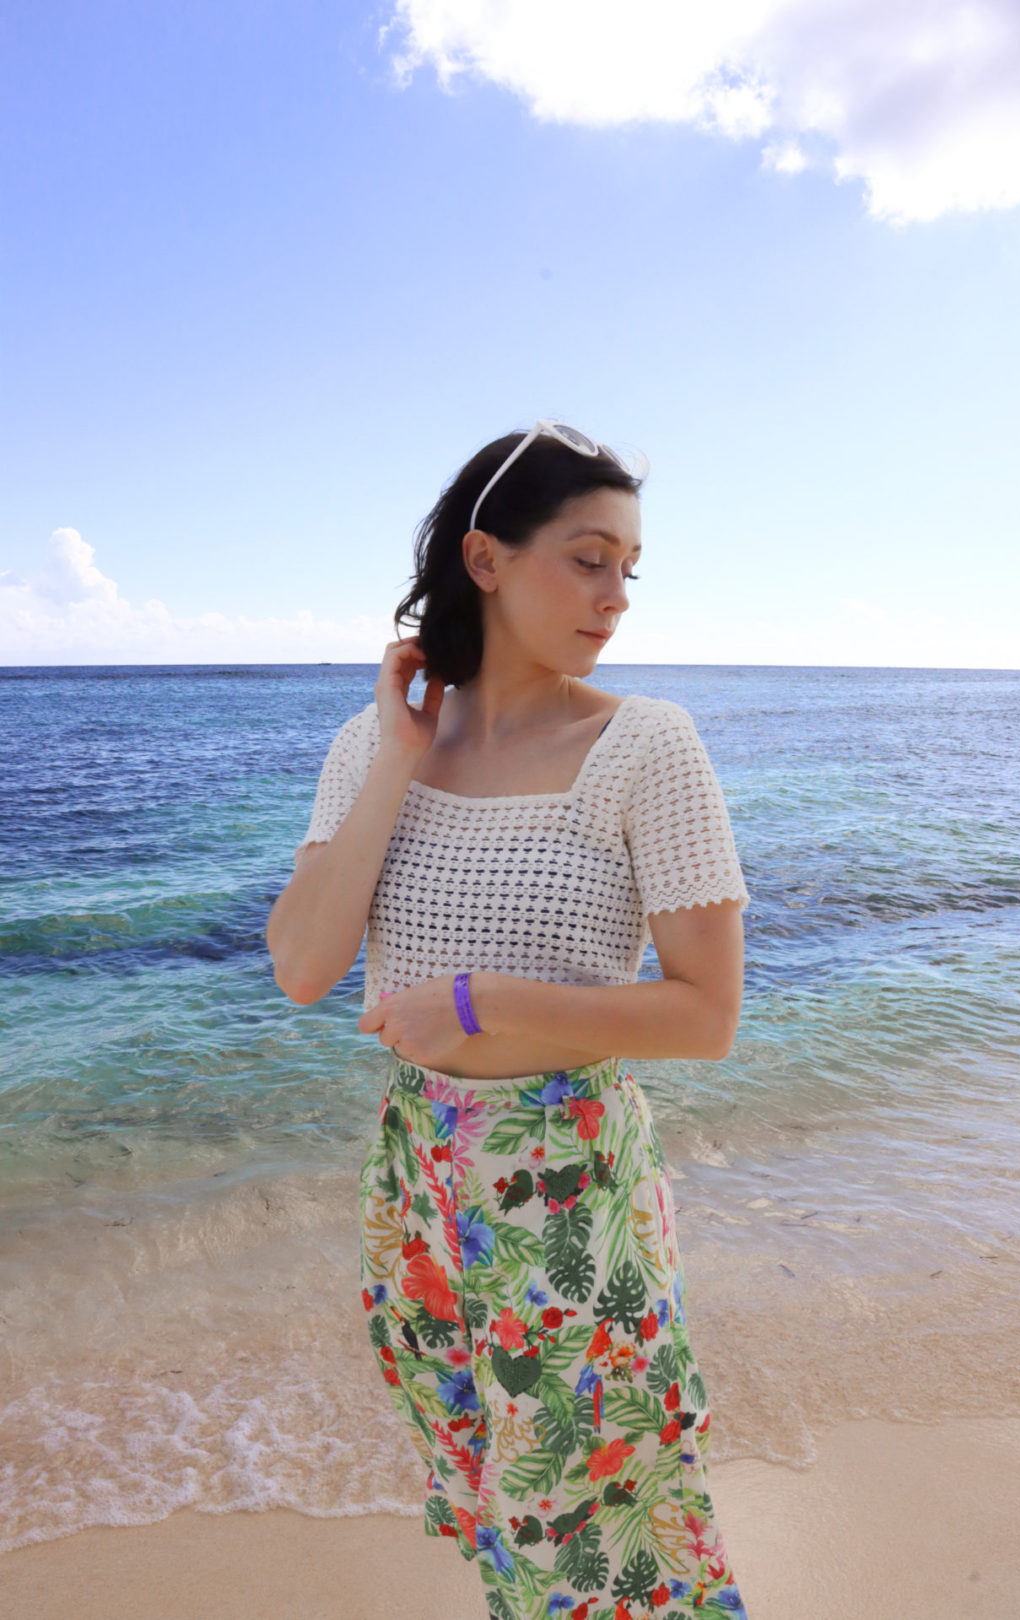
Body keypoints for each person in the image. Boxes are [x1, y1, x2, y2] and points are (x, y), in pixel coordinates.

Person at [267, 421, 751, 1619]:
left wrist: (481, 1002)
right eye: (589, 560)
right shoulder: (368, 748)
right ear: (486, 559)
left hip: (571, 1180)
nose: (615, 598)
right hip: (420, 1182)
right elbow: (303, 964)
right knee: (495, 1501)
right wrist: (397, 756)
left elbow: (707, 1015)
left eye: (629, 570)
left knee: (606, 1521)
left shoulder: (645, 745)